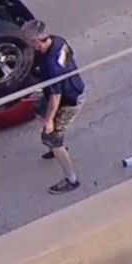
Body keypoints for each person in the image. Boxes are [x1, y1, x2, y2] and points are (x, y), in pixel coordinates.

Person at [22, 19, 86, 195]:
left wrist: (49, 121)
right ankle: (55, 148)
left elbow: (55, 99)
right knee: (37, 109)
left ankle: (71, 179)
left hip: (69, 101)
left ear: (37, 41)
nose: (29, 45)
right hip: (69, 89)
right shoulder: (58, 41)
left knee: (52, 137)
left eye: (30, 42)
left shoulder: (51, 67)